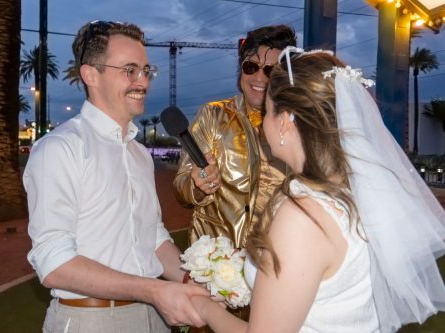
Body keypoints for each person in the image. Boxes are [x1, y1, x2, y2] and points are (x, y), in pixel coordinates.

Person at [190, 48, 445, 332]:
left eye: (267, 113)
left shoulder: (303, 217)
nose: (264, 124)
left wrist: (204, 308)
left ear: (285, 121)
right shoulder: (355, 190)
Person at [23, 21, 208, 333]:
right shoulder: (61, 149)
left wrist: (194, 281)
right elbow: (54, 263)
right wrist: (153, 290)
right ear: (91, 75)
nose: (143, 82)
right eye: (130, 70)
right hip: (90, 320)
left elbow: (153, 239)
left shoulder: (139, 155)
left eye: (146, 70)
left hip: (155, 318)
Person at [173, 25, 297, 249]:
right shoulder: (213, 115)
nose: (259, 77)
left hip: (272, 262)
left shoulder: (297, 127)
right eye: (251, 66)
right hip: (215, 262)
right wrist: (197, 185)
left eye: (270, 71)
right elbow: (182, 186)